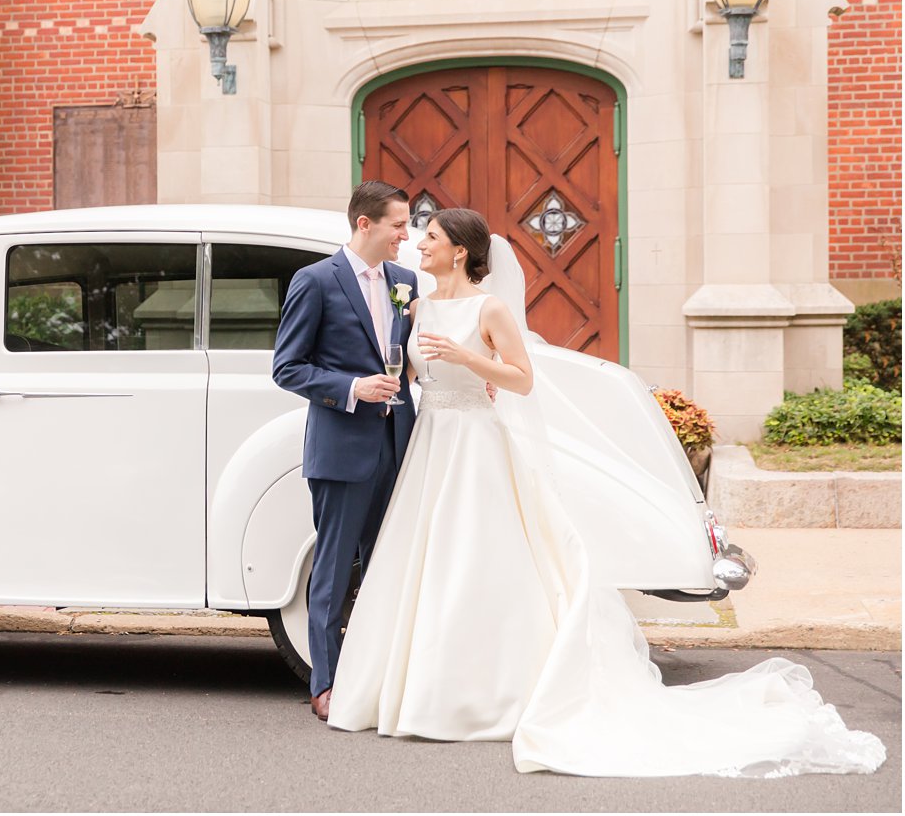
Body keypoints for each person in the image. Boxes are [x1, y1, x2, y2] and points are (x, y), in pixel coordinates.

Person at [326, 208, 886, 777]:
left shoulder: (489, 308)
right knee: (427, 559)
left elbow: (522, 377)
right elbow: (419, 371)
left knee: (480, 556)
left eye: (433, 238)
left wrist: (469, 357)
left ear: (461, 252)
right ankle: (414, 686)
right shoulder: (417, 306)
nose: (421, 244)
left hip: (475, 443)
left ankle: (486, 694)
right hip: (432, 442)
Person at [272, 181, 420, 722]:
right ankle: (326, 683)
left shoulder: (405, 281)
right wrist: (353, 389)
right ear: (365, 224)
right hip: (341, 445)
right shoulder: (316, 282)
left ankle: (378, 677)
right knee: (334, 569)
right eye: (399, 225)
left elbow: (409, 356)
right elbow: (287, 367)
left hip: (400, 443)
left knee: (387, 564)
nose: (407, 235)